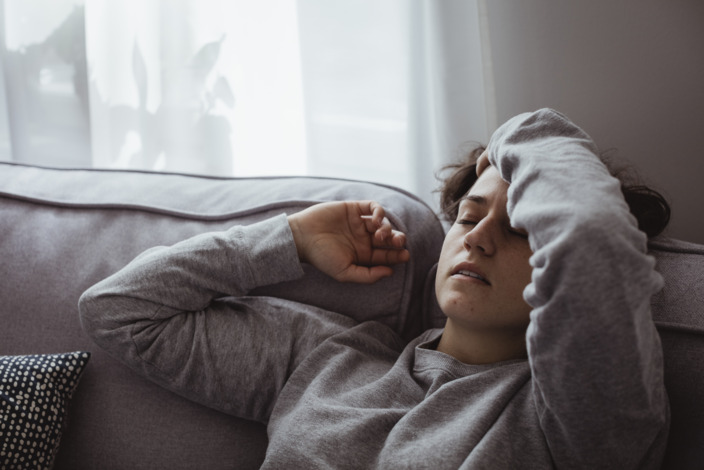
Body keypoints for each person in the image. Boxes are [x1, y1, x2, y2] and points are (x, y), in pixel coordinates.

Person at [79, 108, 670, 469]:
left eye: (523, 227)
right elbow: (120, 311)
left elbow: (593, 247)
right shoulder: (329, 358)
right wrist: (290, 239)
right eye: (468, 216)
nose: (480, 239)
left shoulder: (577, 418)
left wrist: (521, 132)